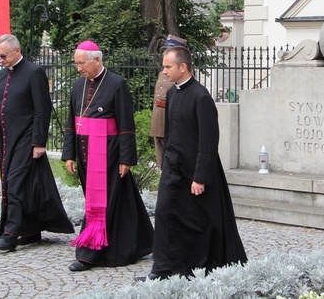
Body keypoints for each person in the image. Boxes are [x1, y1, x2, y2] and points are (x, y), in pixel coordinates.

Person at [137, 45, 247, 281]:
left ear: (183, 67)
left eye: (168, 66)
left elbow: (209, 141)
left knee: (195, 222)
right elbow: (168, 133)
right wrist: (165, 162)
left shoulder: (201, 96)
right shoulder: (172, 92)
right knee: (164, 214)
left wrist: (200, 177)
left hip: (194, 172)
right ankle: (162, 269)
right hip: (173, 168)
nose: (163, 71)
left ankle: (190, 268)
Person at [62, 40, 154, 272]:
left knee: (103, 204)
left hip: (108, 155)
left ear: (97, 60)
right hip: (84, 154)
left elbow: (126, 124)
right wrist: (69, 155)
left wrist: (126, 158)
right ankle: (142, 241)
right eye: (76, 63)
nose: (78, 68)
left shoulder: (116, 84)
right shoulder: (77, 86)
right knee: (121, 200)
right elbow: (71, 123)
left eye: (82, 63)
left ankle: (89, 253)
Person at [0, 34, 74, 252]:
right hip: (8, 140)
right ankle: (29, 230)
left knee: (15, 185)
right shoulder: (1, 75)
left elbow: (42, 109)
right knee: (18, 185)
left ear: (17, 50)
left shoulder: (33, 72)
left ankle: (9, 235)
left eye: (4, 55)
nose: (1, 60)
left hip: (26, 139)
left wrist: (39, 142)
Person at [150, 34, 187, 167]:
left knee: (169, 148)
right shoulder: (163, 72)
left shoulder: (180, 74)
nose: (165, 52)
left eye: (169, 49)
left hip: (169, 115)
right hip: (158, 115)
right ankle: (162, 171)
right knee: (159, 145)